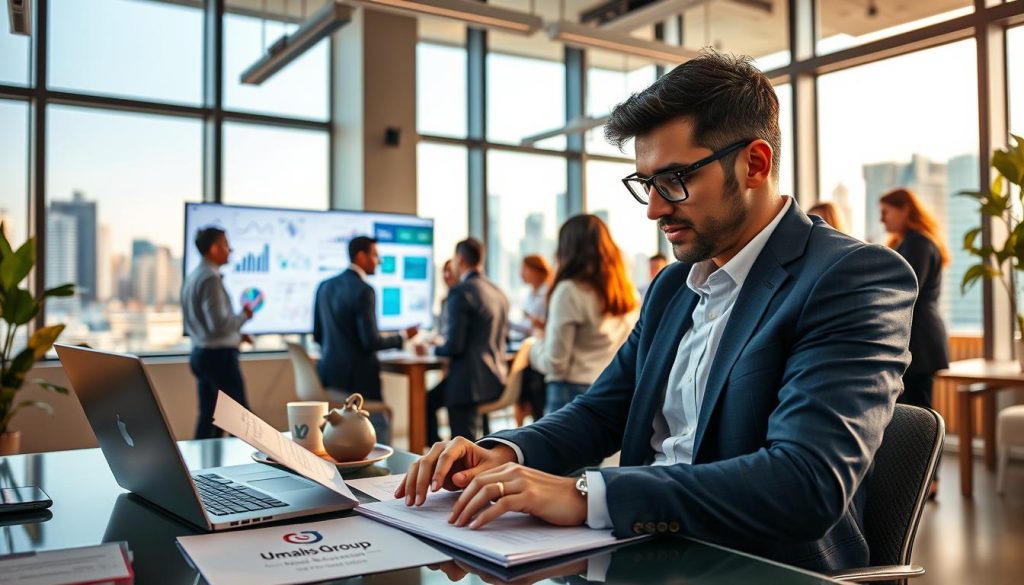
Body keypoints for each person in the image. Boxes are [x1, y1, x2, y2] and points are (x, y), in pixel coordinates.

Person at [396, 50, 918, 574]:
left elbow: (804, 483)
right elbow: (602, 411)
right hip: (642, 555)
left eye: (674, 179)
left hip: (761, 567)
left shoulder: (852, 277)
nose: (654, 208)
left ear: (754, 165)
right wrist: (505, 454)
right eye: (646, 183)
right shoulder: (673, 286)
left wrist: (586, 493)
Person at [313, 236, 418, 444]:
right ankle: (384, 464)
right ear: (361, 256)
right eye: (375, 255)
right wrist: (403, 336)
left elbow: (318, 334)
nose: (379, 261)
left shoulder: (324, 286)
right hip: (358, 386)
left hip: (329, 379)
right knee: (379, 426)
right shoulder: (364, 290)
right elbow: (370, 342)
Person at [530, 215, 639, 415]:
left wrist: (532, 348)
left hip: (570, 393)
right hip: (613, 390)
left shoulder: (569, 291)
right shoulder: (627, 292)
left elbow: (555, 363)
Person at [880, 187, 950, 498]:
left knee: (920, 414)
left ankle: (927, 481)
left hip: (920, 339)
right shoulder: (910, 242)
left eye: (887, 212)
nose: (883, 219)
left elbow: (907, 289)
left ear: (905, 209)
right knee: (914, 409)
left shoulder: (918, 243)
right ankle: (923, 480)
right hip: (918, 337)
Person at [426, 238, 510, 443]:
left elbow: (454, 346)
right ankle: (441, 450)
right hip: (496, 380)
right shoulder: (497, 292)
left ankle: (442, 450)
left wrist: (431, 350)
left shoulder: (461, 292)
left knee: (428, 403)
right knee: (429, 399)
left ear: (460, 259)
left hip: (469, 386)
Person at [181, 227, 254, 440]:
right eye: (225, 244)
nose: (230, 250)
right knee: (242, 420)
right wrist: (244, 316)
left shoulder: (194, 276)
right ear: (214, 248)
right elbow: (219, 325)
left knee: (210, 419)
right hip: (219, 359)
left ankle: (200, 462)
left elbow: (207, 325)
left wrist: (237, 336)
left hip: (202, 354)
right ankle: (251, 460)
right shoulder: (210, 279)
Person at [512, 255, 552, 426]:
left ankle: (532, 418)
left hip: (541, 350)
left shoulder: (548, 293)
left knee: (529, 388)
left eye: (525, 269)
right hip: (533, 349)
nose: (521, 274)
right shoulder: (530, 294)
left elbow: (536, 326)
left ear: (537, 270)